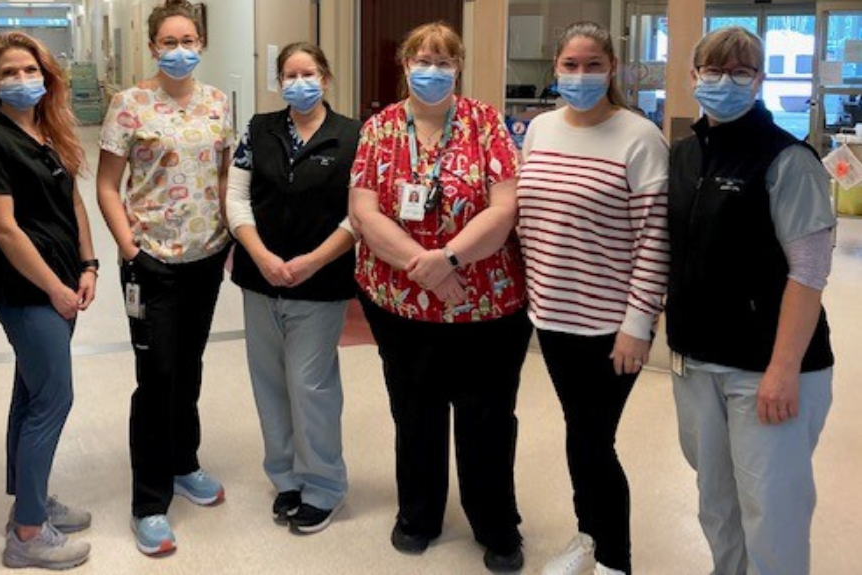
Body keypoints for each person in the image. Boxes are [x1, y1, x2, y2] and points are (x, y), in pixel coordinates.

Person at [348, 21, 532, 573]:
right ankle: (419, 515)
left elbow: (505, 209)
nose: (431, 70)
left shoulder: (486, 124)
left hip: (484, 306)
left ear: (458, 67)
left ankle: (496, 525)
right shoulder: (380, 128)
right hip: (401, 305)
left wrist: (448, 259)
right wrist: (422, 267)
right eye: (421, 61)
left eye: (443, 61)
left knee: (487, 418)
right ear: (404, 66)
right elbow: (364, 211)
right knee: (415, 412)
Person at [668, 26, 835, 575]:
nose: (726, 82)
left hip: (769, 369)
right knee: (716, 502)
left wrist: (783, 369)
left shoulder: (787, 159)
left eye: (741, 71)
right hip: (697, 363)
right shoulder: (685, 157)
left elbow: (809, 271)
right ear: (693, 77)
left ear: (759, 80)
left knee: (773, 510)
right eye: (714, 71)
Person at [516, 22, 669, 575]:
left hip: (610, 328)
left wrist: (638, 322)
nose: (581, 76)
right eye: (570, 65)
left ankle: (615, 560)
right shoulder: (539, 129)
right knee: (581, 436)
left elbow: (655, 236)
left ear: (612, 69)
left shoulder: (639, 136)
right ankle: (589, 538)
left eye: (592, 65)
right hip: (553, 318)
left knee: (592, 441)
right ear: (555, 68)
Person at [95, 0, 234, 556]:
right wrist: (129, 246)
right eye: (169, 41)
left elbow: (224, 176)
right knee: (157, 376)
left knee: (190, 368)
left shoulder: (218, 102)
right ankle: (148, 503)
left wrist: (231, 237)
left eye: (188, 40)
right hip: (151, 260)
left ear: (202, 43)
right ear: (153, 47)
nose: (180, 50)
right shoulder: (129, 105)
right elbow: (108, 185)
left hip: (206, 258)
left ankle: (184, 464)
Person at [0, 32, 96, 570]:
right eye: (9, 73)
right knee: (52, 401)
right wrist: (56, 288)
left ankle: (31, 502)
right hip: (27, 291)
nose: (22, 80)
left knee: (29, 394)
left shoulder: (47, 130)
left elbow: (73, 200)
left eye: (30, 70)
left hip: (62, 281)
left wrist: (88, 264)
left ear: (48, 76)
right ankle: (27, 535)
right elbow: (4, 229)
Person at [226, 42, 361, 534]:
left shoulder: (351, 136)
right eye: (289, 74)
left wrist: (313, 261)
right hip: (259, 279)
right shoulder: (259, 129)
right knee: (269, 383)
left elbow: (359, 214)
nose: (298, 82)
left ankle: (324, 485)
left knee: (311, 385)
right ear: (278, 80)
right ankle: (284, 476)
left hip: (319, 282)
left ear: (325, 77)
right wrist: (259, 255)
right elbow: (237, 198)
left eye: (308, 73)